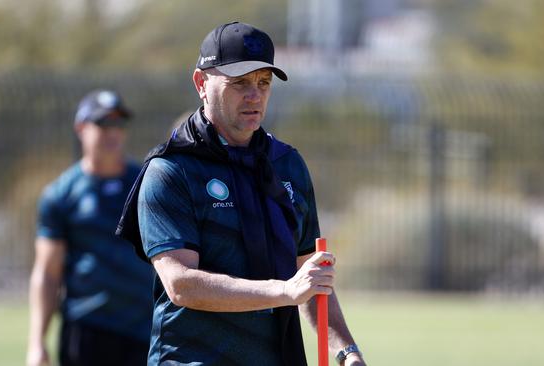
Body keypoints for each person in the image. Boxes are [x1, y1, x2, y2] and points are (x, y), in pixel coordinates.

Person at [117, 22, 366, 366]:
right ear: (201, 83)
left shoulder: (287, 164)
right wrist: (284, 291)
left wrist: (347, 351)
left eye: (264, 83)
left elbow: (308, 277)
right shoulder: (171, 171)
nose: (255, 95)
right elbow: (181, 285)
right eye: (240, 83)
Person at [27, 90, 154, 366]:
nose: (113, 133)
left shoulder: (146, 184)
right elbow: (48, 273)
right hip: (87, 331)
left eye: (118, 124)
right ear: (81, 128)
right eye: (103, 124)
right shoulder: (61, 194)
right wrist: (37, 342)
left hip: (143, 329)